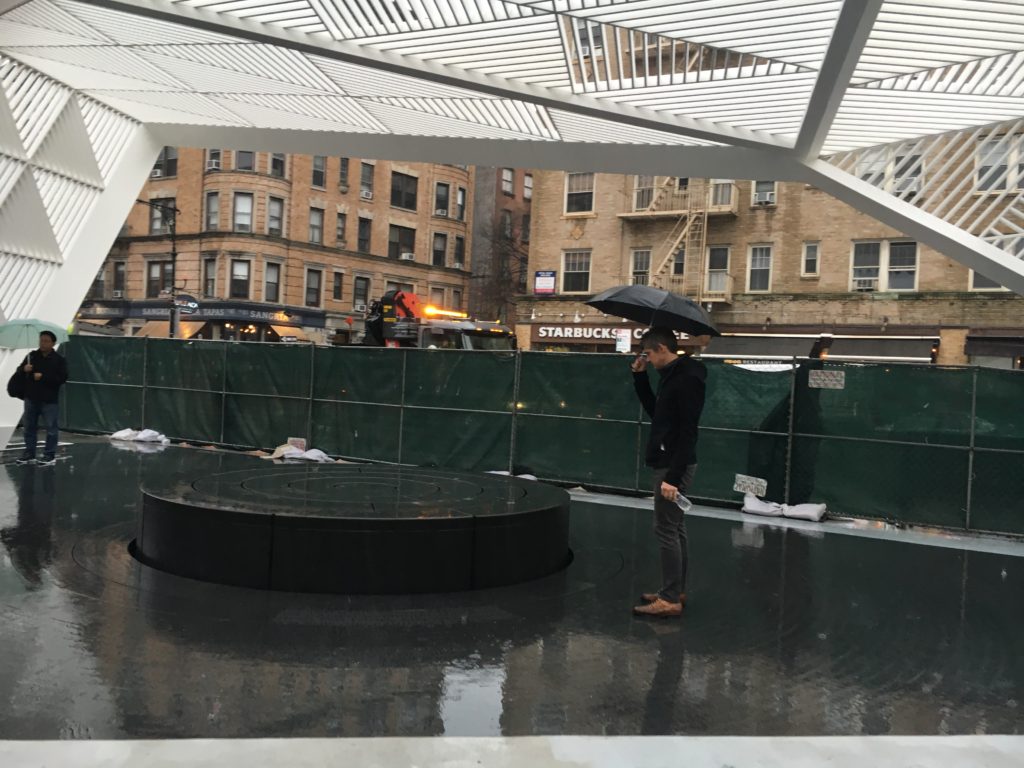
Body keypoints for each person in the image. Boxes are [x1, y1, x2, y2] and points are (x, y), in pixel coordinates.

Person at [630, 327, 707, 618]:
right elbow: (658, 413)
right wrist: (639, 377)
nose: (647, 359)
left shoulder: (686, 380)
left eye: (648, 354)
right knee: (675, 528)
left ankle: (670, 597)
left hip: (674, 463)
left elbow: (689, 430)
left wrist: (673, 477)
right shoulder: (673, 376)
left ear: (662, 348)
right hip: (672, 459)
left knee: (665, 529)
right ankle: (675, 590)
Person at [16, 331, 68, 466]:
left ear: (53, 344)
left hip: (49, 400)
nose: (42, 343)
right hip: (31, 398)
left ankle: (49, 455)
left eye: (46, 341)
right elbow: (19, 371)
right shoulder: (32, 356)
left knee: (51, 428)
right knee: (29, 427)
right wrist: (24, 369)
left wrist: (43, 377)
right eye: (41, 340)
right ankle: (29, 453)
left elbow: (62, 379)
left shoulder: (59, 360)